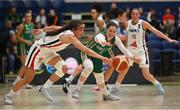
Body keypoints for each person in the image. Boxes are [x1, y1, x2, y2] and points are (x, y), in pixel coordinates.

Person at [4, 20, 112, 105]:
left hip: (49, 52)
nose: (82, 31)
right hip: (38, 50)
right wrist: (102, 57)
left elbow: (53, 27)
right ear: (74, 29)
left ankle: (44, 88)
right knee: (28, 79)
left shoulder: (68, 30)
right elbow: (86, 50)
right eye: (81, 29)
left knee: (64, 68)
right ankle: (9, 95)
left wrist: (42, 30)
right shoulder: (69, 36)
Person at [107, 8, 178, 95]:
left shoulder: (143, 23)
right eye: (133, 14)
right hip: (130, 50)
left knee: (146, 75)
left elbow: (156, 31)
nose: (135, 15)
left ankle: (158, 84)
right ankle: (116, 87)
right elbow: (126, 37)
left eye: (136, 14)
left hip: (141, 51)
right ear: (131, 15)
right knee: (123, 70)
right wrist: (114, 38)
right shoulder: (127, 23)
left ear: (139, 15)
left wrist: (169, 39)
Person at [63, 22, 140, 100]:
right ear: (106, 30)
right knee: (89, 67)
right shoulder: (100, 36)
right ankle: (76, 90)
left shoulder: (116, 39)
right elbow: (99, 39)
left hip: (98, 56)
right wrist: (104, 43)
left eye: (114, 31)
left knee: (100, 78)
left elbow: (124, 50)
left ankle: (106, 95)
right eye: (110, 30)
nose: (112, 33)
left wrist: (132, 57)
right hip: (87, 53)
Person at [13, 11, 34, 89]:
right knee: (25, 64)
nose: (29, 18)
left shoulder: (32, 25)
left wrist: (34, 39)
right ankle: (17, 81)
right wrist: (26, 41)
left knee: (28, 65)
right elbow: (17, 37)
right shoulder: (21, 26)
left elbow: (31, 35)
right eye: (27, 16)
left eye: (30, 16)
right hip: (22, 47)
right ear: (24, 18)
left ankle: (25, 82)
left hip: (29, 46)